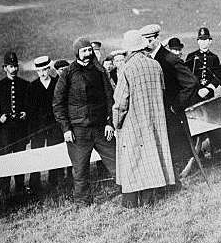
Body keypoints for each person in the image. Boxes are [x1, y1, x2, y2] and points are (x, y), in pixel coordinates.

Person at [113, 30, 175, 208]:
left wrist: (116, 123)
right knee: (151, 158)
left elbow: (120, 103)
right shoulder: (155, 65)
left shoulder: (127, 68)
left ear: (129, 50)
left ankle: (131, 202)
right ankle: (149, 200)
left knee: (132, 161)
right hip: (155, 120)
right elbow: (162, 92)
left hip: (132, 122)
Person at [52, 37, 117, 206]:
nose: (88, 54)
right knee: (80, 169)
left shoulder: (100, 70)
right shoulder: (68, 73)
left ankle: (127, 191)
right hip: (78, 132)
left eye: (89, 50)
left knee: (117, 160)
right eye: (84, 51)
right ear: (77, 53)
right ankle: (83, 201)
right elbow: (58, 104)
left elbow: (110, 98)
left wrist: (109, 123)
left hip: (101, 129)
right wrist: (66, 129)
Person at [139, 24, 199, 186]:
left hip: (170, 112)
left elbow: (191, 82)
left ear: (157, 39)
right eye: (144, 40)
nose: (146, 44)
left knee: (175, 146)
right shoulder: (148, 59)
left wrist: (176, 106)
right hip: (157, 112)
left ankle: (175, 181)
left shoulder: (169, 59)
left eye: (150, 40)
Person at [26, 56, 64, 193]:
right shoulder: (33, 87)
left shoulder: (57, 83)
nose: (42, 73)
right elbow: (30, 111)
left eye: (45, 69)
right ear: (37, 72)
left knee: (56, 153)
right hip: (39, 128)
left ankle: (56, 182)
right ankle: (34, 185)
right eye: (39, 71)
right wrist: (32, 132)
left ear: (49, 69)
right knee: (37, 154)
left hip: (55, 126)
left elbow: (61, 104)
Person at [0, 51, 29, 198]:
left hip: (19, 129)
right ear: (5, 68)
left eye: (15, 66)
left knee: (20, 157)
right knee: (5, 158)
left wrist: (25, 112)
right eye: (10, 66)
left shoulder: (24, 84)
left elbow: (29, 105)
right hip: (4, 130)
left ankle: (20, 187)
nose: (14, 69)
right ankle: (4, 189)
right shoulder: (0, 86)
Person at [185, 27, 221, 103]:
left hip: (208, 93)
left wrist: (208, 89)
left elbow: (217, 76)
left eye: (205, 39)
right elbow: (187, 76)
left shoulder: (214, 57)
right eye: (201, 40)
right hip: (194, 93)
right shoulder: (191, 56)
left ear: (210, 41)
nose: (203, 42)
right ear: (198, 41)